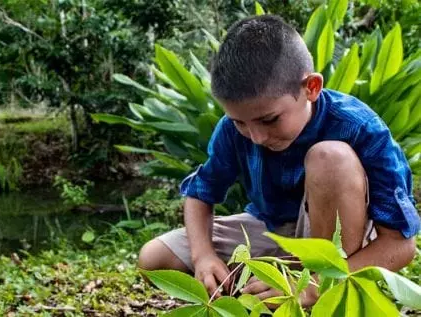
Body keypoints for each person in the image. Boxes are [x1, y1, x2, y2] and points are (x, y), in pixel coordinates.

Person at [137, 15, 420, 307]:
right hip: (268, 229)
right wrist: (203, 256)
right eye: (240, 123)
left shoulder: (358, 127)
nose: (256, 137)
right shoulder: (233, 130)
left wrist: (317, 282)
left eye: (269, 119)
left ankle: (326, 286)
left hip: (339, 244)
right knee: (153, 259)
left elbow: (401, 245)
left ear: (310, 87)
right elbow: (200, 193)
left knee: (330, 158)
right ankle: (265, 286)